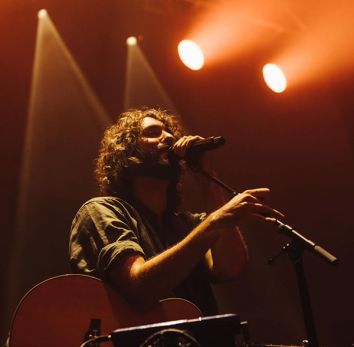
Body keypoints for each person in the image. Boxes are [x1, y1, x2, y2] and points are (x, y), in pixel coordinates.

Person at [69, 108, 284, 316]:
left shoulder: (187, 225)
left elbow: (230, 268)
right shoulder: (101, 211)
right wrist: (217, 221)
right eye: (153, 133)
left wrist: (208, 177)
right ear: (126, 153)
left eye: (170, 132)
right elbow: (139, 289)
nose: (169, 138)